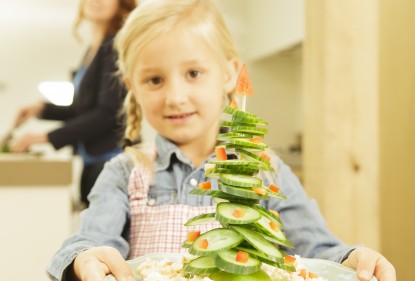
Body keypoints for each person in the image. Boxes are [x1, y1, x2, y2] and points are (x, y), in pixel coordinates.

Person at [46, 0, 396, 280]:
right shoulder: (124, 173)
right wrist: (86, 258)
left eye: (193, 73)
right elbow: (88, 241)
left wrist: (353, 258)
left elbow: (319, 249)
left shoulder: (266, 171)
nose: (175, 96)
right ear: (132, 87)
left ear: (229, 74)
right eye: (154, 80)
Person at [10, 0, 136, 207]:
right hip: (93, 160)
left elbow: (107, 113)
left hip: (112, 161)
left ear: (121, 4)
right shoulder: (93, 49)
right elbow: (84, 108)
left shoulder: (115, 47)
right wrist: (41, 108)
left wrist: (47, 137)